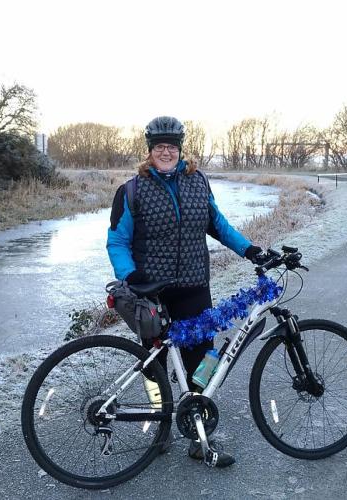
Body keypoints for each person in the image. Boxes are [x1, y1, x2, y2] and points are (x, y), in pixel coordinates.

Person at [106, 116, 262, 467]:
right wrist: (132, 276)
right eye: (159, 147)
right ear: (149, 152)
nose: (166, 152)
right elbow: (116, 240)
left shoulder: (198, 182)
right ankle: (161, 428)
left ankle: (197, 432)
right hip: (152, 291)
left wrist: (249, 249)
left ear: (180, 149)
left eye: (171, 147)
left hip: (194, 286)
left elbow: (217, 224)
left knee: (202, 359)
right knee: (154, 364)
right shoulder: (131, 190)